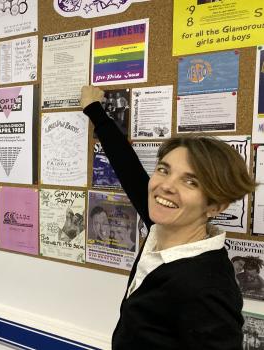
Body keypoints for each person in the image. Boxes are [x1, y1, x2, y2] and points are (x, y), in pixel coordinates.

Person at [81, 84, 256, 349]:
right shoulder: (162, 226)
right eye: (164, 170)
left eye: (191, 182)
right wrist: (95, 112)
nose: (166, 185)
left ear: (215, 206)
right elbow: (128, 169)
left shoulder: (206, 288)